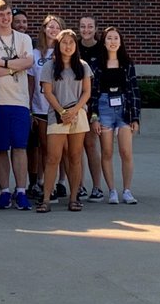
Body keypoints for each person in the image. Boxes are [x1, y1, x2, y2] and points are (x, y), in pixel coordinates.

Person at [0, 0, 35, 210]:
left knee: (20, 147)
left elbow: (28, 62)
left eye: (8, 14)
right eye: (1, 15)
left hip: (19, 101)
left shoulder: (23, 38)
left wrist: (2, 63)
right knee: (1, 148)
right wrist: (15, 65)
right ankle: (4, 191)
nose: (5, 18)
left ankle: (21, 191)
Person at [36, 28, 92, 213]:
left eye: (71, 42)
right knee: (53, 157)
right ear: (58, 45)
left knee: (75, 157)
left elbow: (87, 92)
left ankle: (74, 198)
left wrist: (74, 111)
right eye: (64, 42)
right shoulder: (49, 66)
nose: (68, 46)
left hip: (78, 114)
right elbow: (47, 92)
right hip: (57, 115)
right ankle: (46, 199)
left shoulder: (83, 66)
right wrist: (62, 111)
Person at [88, 26, 142, 205]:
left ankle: (127, 190)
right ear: (104, 42)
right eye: (109, 38)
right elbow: (92, 93)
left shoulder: (127, 63)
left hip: (124, 109)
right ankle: (112, 190)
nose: (113, 41)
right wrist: (94, 117)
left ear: (120, 42)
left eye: (116, 38)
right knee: (107, 151)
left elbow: (134, 90)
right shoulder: (97, 64)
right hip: (104, 108)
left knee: (126, 151)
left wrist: (135, 117)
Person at [28, 14, 63, 203]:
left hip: (58, 108)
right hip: (40, 107)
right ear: (43, 29)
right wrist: (29, 108)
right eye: (50, 26)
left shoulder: (64, 52)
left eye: (57, 27)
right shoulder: (35, 53)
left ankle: (55, 184)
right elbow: (31, 83)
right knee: (43, 147)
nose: (53, 30)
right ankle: (42, 183)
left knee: (55, 149)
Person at [77, 16, 106, 201]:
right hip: (76, 102)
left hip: (95, 102)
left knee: (90, 144)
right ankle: (79, 186)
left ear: (95, 29)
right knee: (76, 147)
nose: (86, 30)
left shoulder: (102, 50)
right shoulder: (74, 47)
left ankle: (97, 187)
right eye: (82, 26)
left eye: (89, 26)